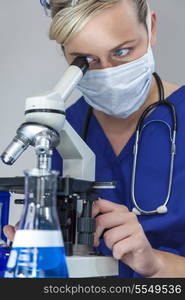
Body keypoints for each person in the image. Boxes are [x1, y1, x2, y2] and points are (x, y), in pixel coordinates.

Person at [4, 0, 185, 278]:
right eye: (86, 60)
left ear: (151, 27)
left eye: (122, 51)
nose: (108, 73)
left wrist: (156, 264)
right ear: (65, 52)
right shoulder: (66, 128)